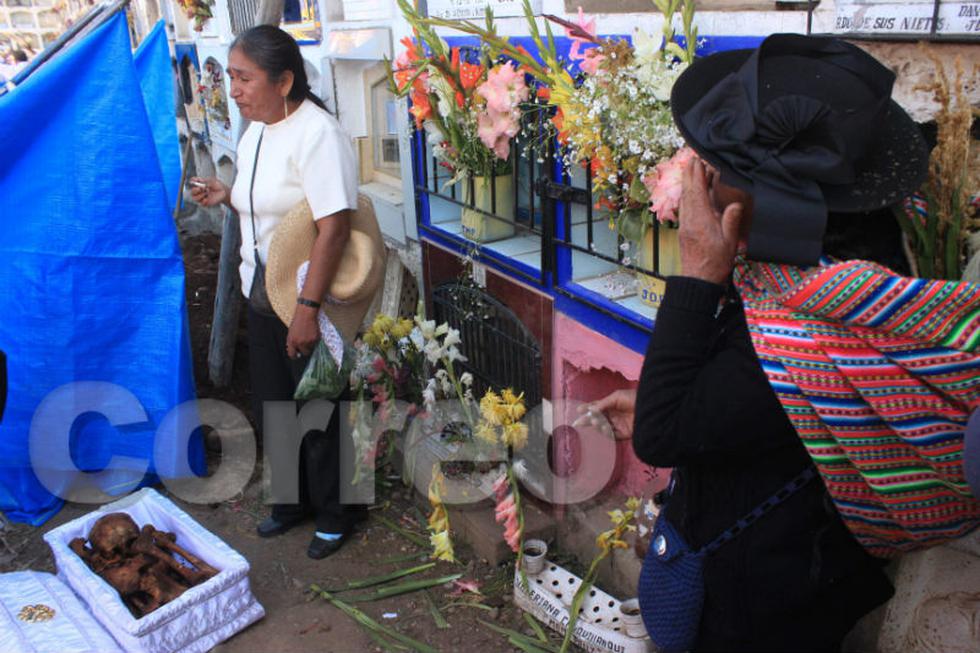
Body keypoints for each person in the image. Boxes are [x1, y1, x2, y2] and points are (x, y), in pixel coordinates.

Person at [582, 34, 933, 651]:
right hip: (799, 571)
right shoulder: (839, 274)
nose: (699, 179)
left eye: (715, 169)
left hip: (761, 600)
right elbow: (752, 408)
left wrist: (697, 273)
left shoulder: (811, 320)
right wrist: (666, 395)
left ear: (770, 200)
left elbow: (663, 435)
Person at [190, 25, 362, 560]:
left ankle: (338, 513)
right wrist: (227, 196)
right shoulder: (258, 129)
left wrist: (308, 310)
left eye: (244, 78)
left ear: (284, 80)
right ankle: (291, 504)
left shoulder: (318, 133)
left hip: (306, 297)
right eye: (231, 77)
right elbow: (267, 203)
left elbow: (333, 227)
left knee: (320, 405)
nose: (233, 89)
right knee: (274, 404)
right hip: (259, 290)